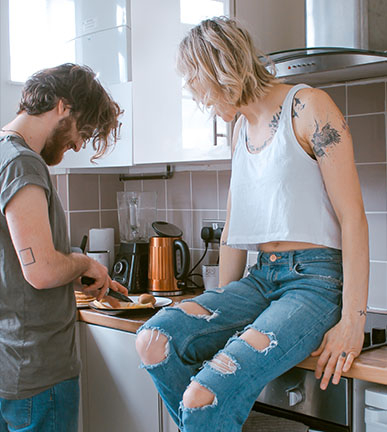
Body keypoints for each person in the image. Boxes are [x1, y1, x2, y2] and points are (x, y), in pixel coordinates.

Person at [136, 17, 369, 431]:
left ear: (221, 71)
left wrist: (354, 319)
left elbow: (353, 219)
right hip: (261, 280)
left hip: (315, 283)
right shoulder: (239, 129)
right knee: (154, 341)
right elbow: (233, 227)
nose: (201, 100)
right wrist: (223, 303)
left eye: (199, 86)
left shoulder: (310, 106)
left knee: (203, 396)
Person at [0, 63, 128, 431]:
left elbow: (16, 263)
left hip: (12, 365)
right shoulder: (23, 162)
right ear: (62, 106)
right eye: (82, 130)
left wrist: (77, 269)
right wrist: (81, 261)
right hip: (36, 370)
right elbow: (40, 271)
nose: (77, 144)